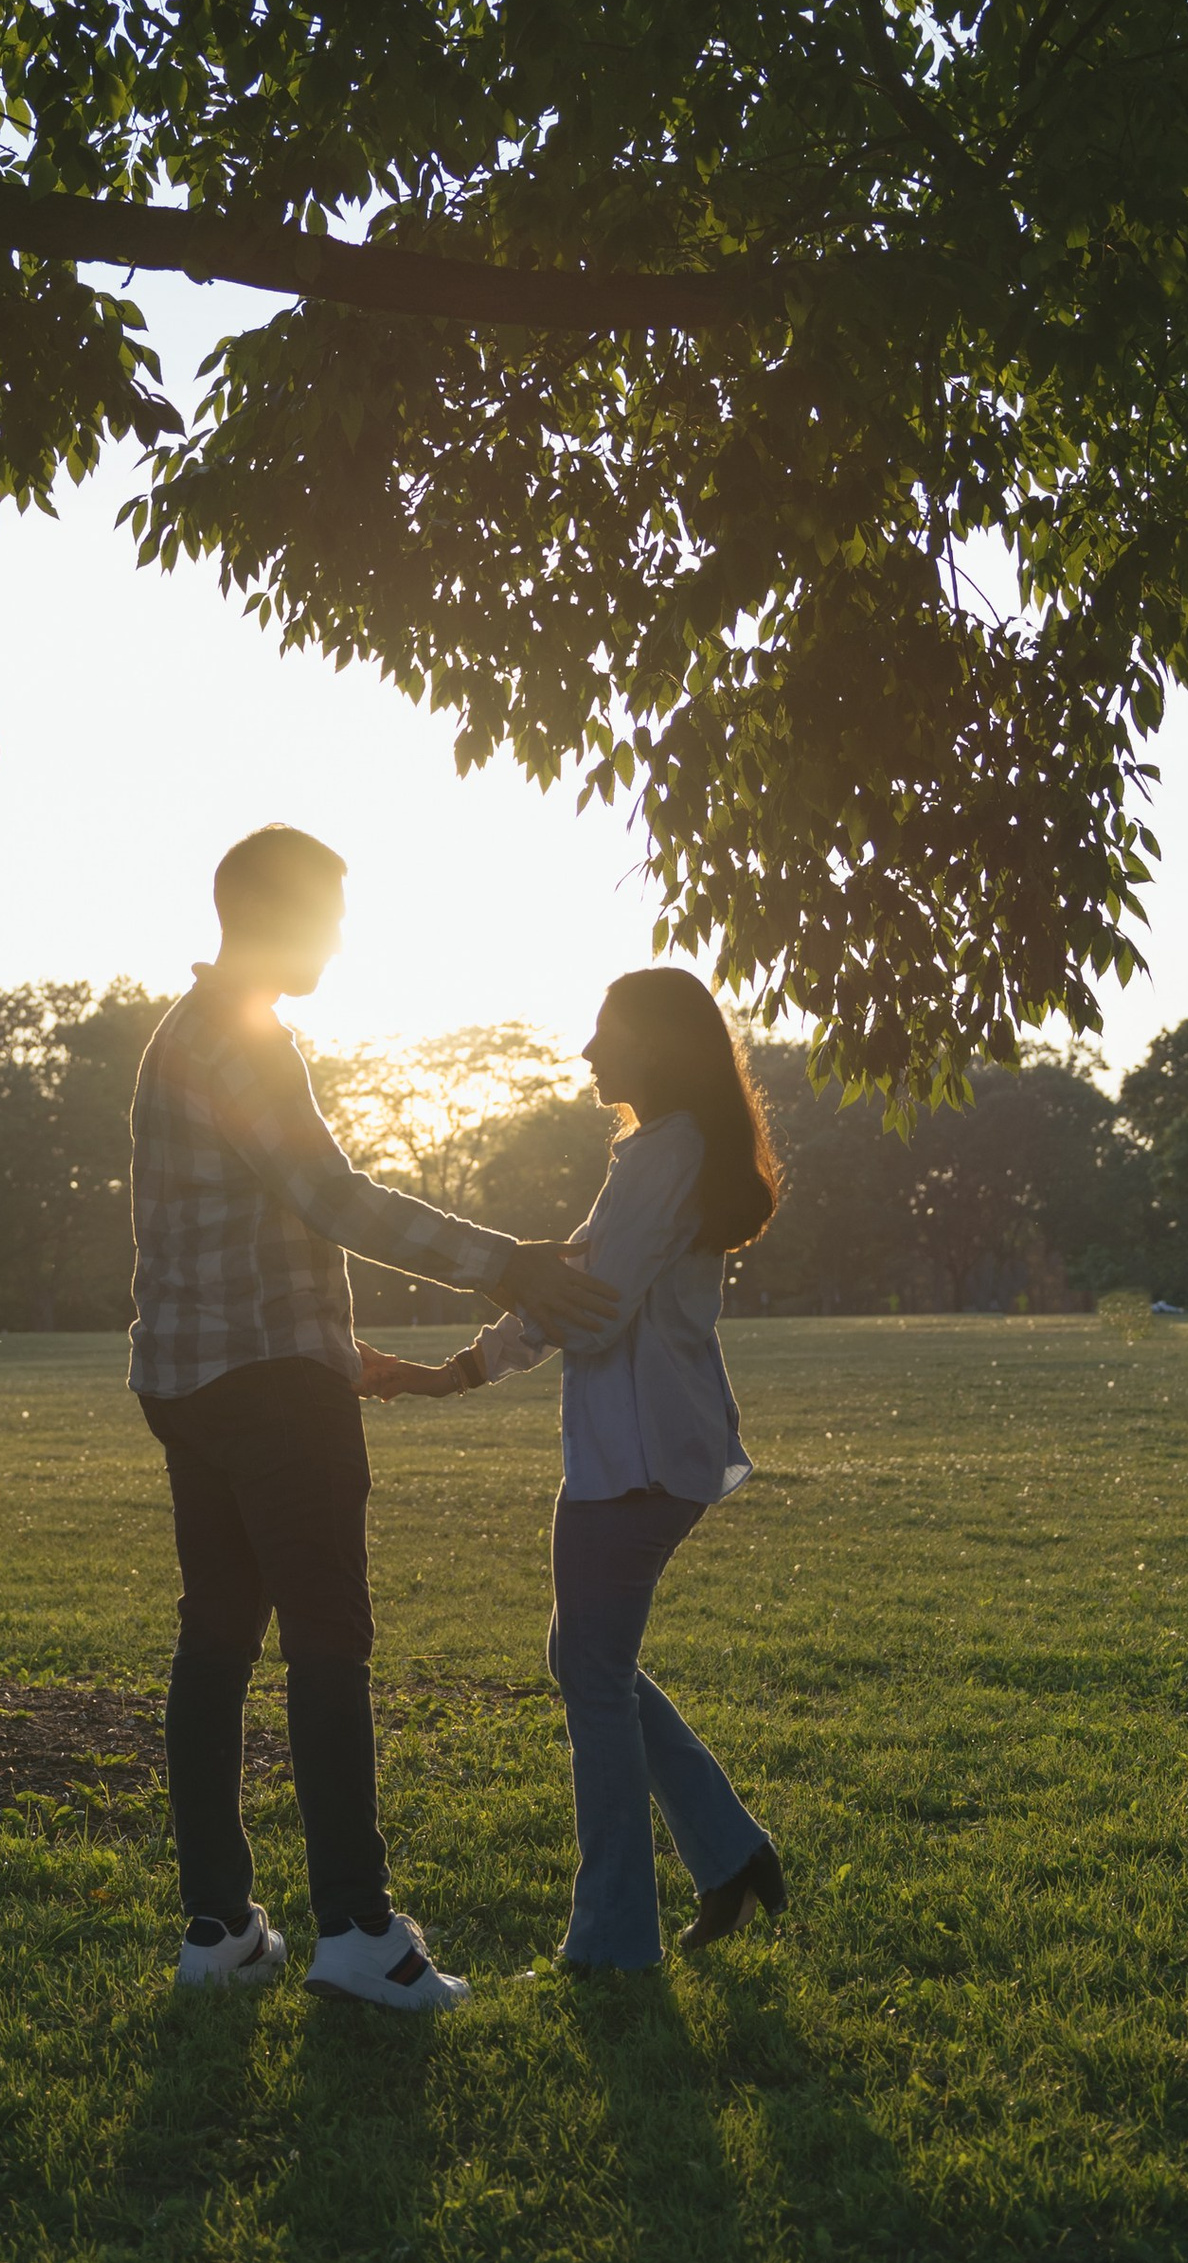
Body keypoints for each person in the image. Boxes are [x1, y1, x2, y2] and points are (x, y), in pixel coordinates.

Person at [128, 825, 617, 2012]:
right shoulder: (244, 1036)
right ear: (278, 913)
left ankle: (219, 1932)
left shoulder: (180, 1037)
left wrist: (350, 1360)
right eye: (331, 915)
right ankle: (352, 1928)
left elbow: (229, 1253)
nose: (342, 939)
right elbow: (331, 1199)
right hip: (262, 1394)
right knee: (328, 1643)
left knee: (218, 1642)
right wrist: (510, 1265)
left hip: (191, 1383)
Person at [366, 966, 785, 1971]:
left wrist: (459, 1370)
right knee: (583, 1661)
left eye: (606, 1032)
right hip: (650, 1452)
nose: (589, 1051)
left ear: (654, 1045)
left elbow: (591, 1299)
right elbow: (583, 1284)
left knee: (590, 1679)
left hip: (636, 1459)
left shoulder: (665, 1155)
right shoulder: (663, 1151)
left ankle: (609, 1943)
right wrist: (492, 1336)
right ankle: (729, 1855)